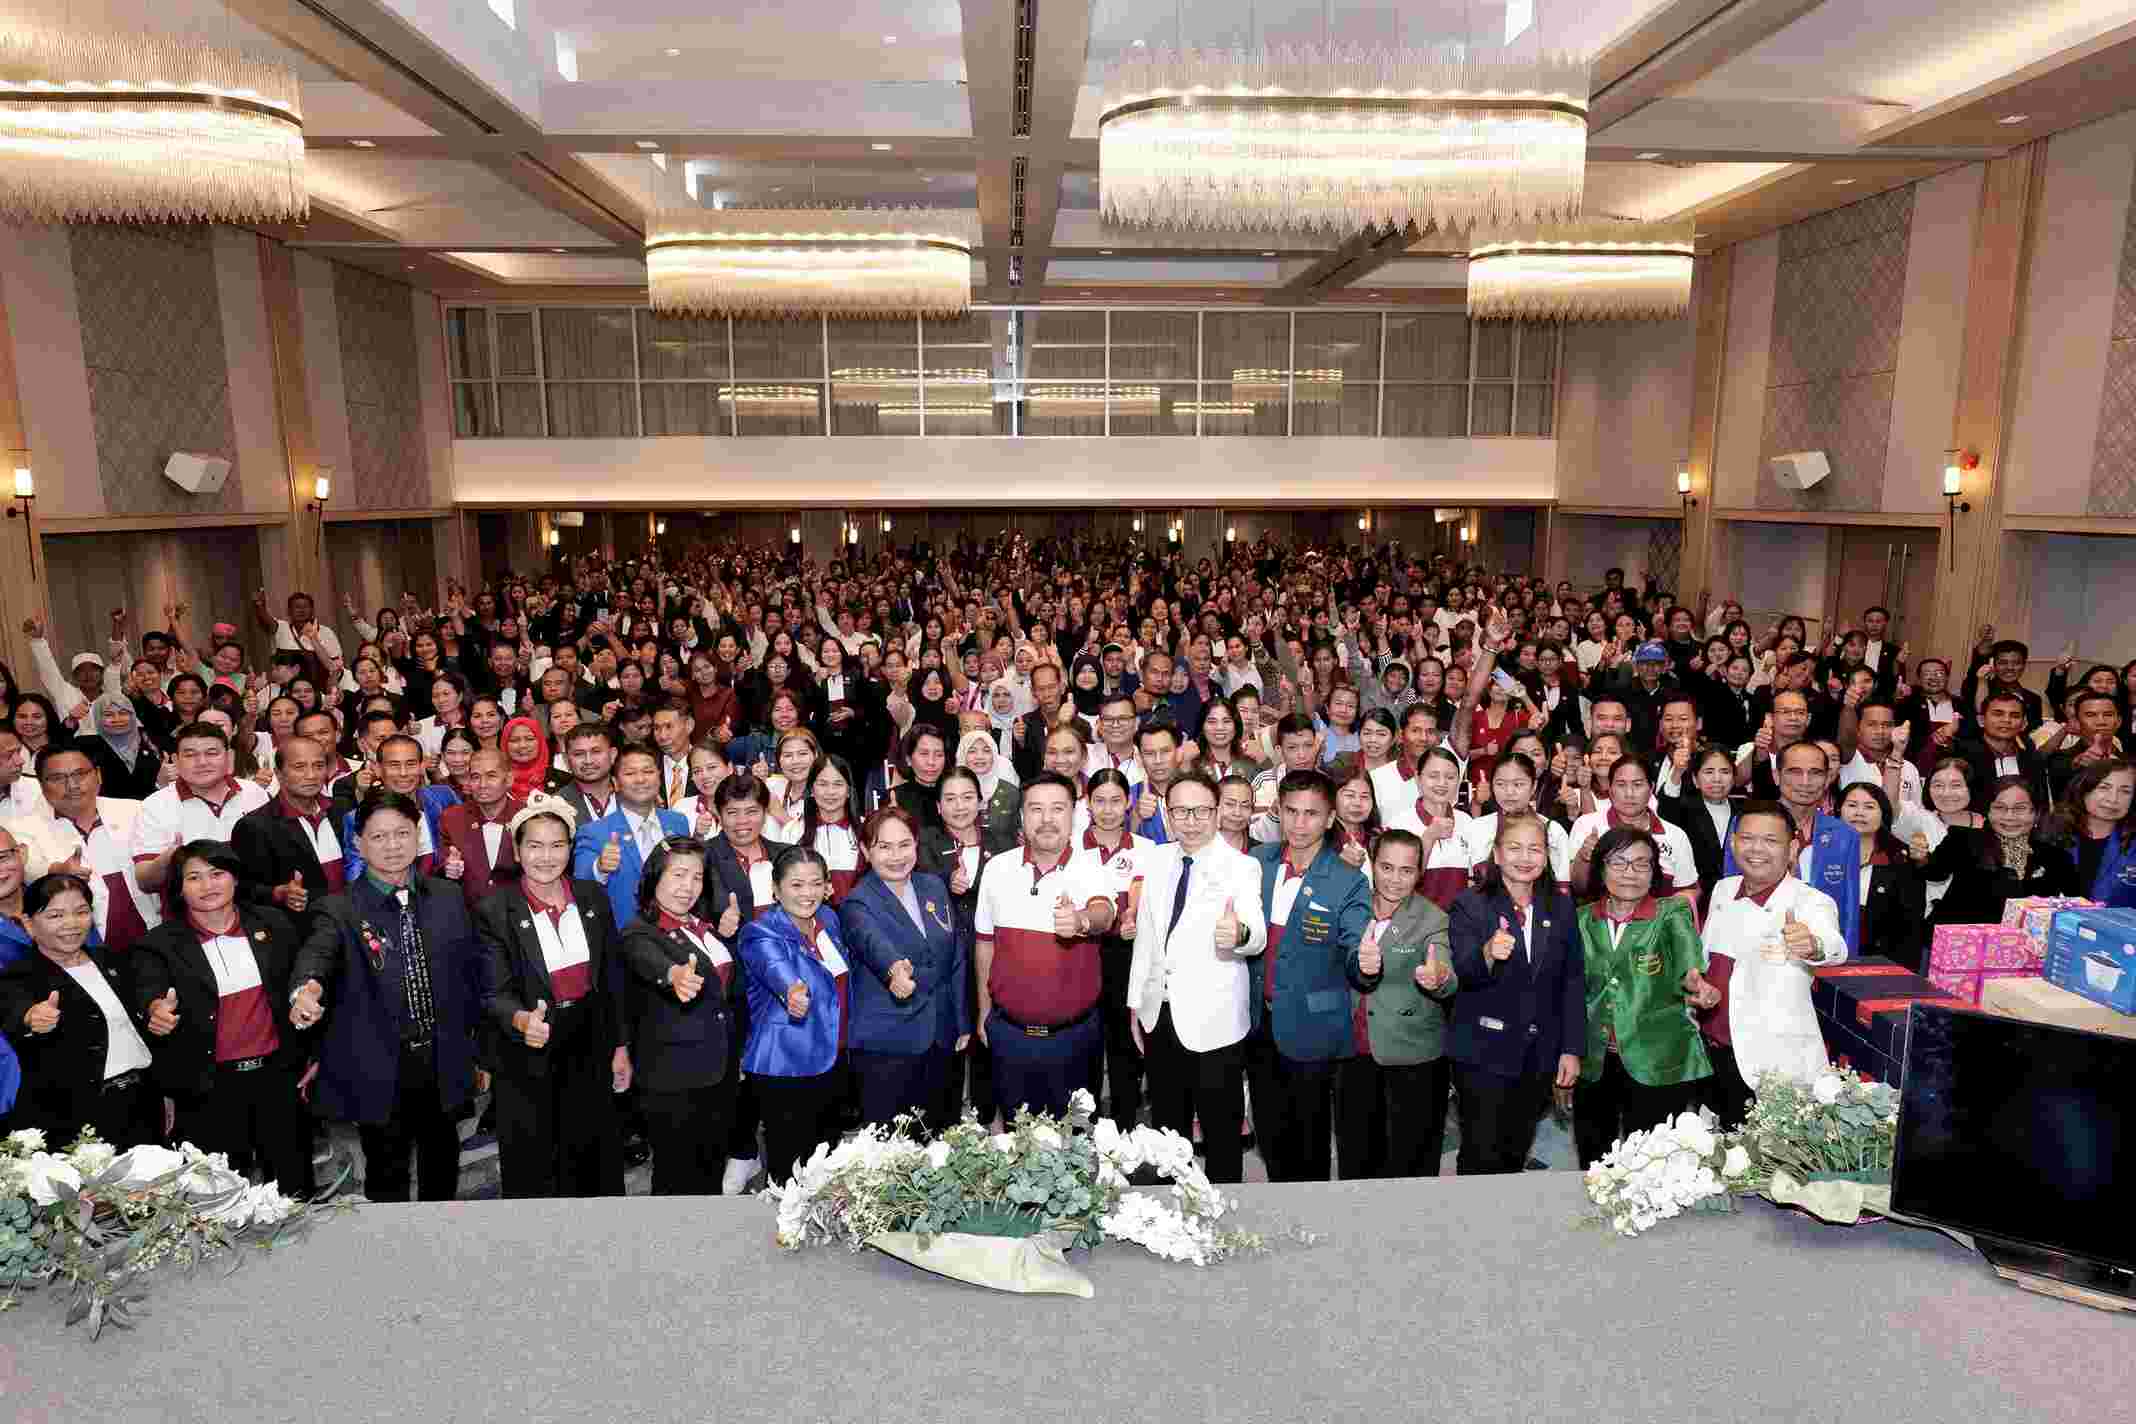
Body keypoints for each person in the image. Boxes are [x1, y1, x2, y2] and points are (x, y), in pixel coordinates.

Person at [289, 790, 485, 1203]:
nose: (393, 845)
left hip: (442, 1059)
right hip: (380, 1067)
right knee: (386, 1174)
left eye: (402, 833)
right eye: (379, 837)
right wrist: (306, 990)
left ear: (418, 835)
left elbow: (470, 976)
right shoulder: (338, 909)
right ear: (358, 843)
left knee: (443, 1165)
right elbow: (318, 955)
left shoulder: (448, 896)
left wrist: (478, 1050)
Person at [131, 841, 310, 1194]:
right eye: (194, 877)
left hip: (277, 1078)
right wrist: (155, 1011)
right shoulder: (159, 944)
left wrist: (313, 1053)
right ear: (179, 888)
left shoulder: (274, 924)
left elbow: (302, 986)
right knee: (220, 1199)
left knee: (293, 1190)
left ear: (235, 878)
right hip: (209, 1089)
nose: (207, 885)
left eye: (217, 874)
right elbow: (149, 994)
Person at [476, 796, 629, 1199]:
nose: (546, 856)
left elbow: (612, 978)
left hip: (589, 1042)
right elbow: (494, 991)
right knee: (535, 1163)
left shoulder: (592, 896)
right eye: (535, 845)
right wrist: (521, 1019)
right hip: (529, 1048)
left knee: (594, 1157)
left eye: (557, 845)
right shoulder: (495, 909)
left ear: (570, 848)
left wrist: (620, 1046)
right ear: (517, 850)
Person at [1125, 770, 1266, 1184]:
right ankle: (1173, 1210)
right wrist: (1136, 1003)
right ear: (1168, 815)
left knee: (1222, 1132)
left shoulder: (1241, 866)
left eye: (1201, 811)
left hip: (1214, 1022)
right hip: (1160, 1014)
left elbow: (1256, 931)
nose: (1191, 820)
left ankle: (1225, 1210)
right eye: (1180, 811)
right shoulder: (1156, 859)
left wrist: (1239, 934)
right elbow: (1146, 938)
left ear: (1217, 812)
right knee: (1168, 1133)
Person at [1248, 768, 1372, 1183]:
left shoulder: (1348, 879)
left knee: (1309, 1138)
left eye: (1311, 813)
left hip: (1312, 1024)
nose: (1300, 824)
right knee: (1269, 1132)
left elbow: (1355, 943)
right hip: (1258, 1021)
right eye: (1291, 811)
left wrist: (1365, 962)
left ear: (1330, 818)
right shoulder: (1256, 863)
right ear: (1278, 811)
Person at [1445, 812, 1584, 1176]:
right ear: (1497, 853)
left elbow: (1572, 980)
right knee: (1481, 1152)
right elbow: (1461, 975)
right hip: (1483, 1052)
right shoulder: (1470, 904)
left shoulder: (1561, 906)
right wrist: (1488, 953)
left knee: (1515, 1148)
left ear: (1546, 856)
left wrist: (1571, 1048)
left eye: (1535, 849)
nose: (1525, 858)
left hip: (1539, 1053)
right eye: (1515, 848)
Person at [973, 773, 1117, 1119]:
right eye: (1036, 809)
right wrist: (984, 1012)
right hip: (1009, 1036)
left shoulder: (1091, 868)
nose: (1047, 819)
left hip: (1074, 1039)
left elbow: (1104, 913)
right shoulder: (997, 869)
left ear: (1074, 815)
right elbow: (985, 944)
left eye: (1057, 809)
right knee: (1016, 1137)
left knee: (1076, 1140)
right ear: (1022, 816)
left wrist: (1081, 921)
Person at [1570, 827, 1715, 1169]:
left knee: (1651, 1166)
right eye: (1619, 862)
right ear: (1600, 868)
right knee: (1594, 1162)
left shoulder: (1670, 913)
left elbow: (1687, 960)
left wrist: (1696, 983)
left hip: (1657, 1059)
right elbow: (1568, 993)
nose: (1630, 873)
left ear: (1654, 871)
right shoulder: (1581, 920)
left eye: (1641, 864)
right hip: (1594, 1060)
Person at [1695, 802, 1848, 1127]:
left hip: (1769, 1061)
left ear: (1792, 849)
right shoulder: (1723, 889)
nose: (1756, 849)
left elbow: (1834, 947)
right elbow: (1709, 960)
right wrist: (1696, 985)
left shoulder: (1810, 902)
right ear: (1733, 843)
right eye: (1747, 838)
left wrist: (1814, 945)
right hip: (1711, 1052)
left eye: (1770, 840)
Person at [612, 834, 738, 1196]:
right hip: (673, 1079)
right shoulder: (639, 931)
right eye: (678, 875)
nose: (688, 887)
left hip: (717, 1071)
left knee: (710, 1170)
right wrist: (673, 975)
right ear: (655, 877)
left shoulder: (701, 925)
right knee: (675, 1179)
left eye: (696, 877)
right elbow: (648, 960)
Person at [0, 871, 160, 1148]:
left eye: (81, 912)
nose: (71, 924)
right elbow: (16, 1012)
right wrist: (31, 1018)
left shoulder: (114, 960)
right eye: (55, 915)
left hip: (144, 1100)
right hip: (77, 1118)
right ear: (28, 923)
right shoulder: (18, 977)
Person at [1336, 829, 1457, 1180]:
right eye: (1386, 867)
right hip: (1354, 1052)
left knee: (1412, 1160)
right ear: (1373, 865)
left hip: (1413, 1055)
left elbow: (1445, 969)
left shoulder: (1433, 918)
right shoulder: (1352, 906)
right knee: (1356, 1156)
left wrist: (1438, 977)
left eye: (1406, 870)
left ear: (1420, 873)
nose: (1394, 879)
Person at [840, 807, 970, 1133]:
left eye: (904, 845)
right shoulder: (857, 902)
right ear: (866, 851)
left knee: (944, 1138)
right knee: (893, 1146)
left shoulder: (933, 886)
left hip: (942, 1036)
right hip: (889, 1043)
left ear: (916, 845)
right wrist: (895, 971)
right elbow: (873, 943)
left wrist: (961, 1020)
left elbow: (955, 956)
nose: (896, 856)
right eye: (884, 847)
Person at [739, 844, 853, 1185]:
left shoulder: (829, 920)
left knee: (827, 1160)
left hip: (833, 1057)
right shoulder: (761, 932)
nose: (808, 893)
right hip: (786, 1063)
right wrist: (792, 991)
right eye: (797, 884)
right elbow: (775, 967)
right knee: (789, 1170)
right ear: (776, 889)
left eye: (816, 883)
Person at [1912, 775, 2077, 926]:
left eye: (2020, 808)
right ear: (1988, 811)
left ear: (2036, 813)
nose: (2009, 816)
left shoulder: (2056, 856)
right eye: (1999, 808)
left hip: (2023, 944)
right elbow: (1934, 873)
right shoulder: (1963, 839)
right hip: (1959, 941)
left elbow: (2075, 904)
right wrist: (1921, 858)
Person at [129, 723, 271, 895]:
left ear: (229, 757)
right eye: (190, 755)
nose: (202, 762)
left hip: (258, 902)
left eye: (212, 753)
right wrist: (170, 858)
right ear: (176, 760)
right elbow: (144, 882)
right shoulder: (155, 806)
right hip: (189, 908)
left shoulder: (254, 793)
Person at [231, 735, 345, 938]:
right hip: (298, 936)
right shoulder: (256, 826)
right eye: (299, 767)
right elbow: (243, 890)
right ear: (279, 774)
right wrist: (278, 893)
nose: (311, 775)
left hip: (351, 927)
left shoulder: (341, 811)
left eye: (318, 766)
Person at [572, 745, 689, 929]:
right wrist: (600, 867)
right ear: (615, 783)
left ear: (659, 777)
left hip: (679, 933)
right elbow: (580, 883)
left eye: (648, 771)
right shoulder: (594, 832)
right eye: (630, 773)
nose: (640, 779)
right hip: (627, 937)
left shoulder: (678, 822)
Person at [1835, 783, 1928, 973]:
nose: (1859, 813)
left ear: (1883, 814)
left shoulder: (1901, 860)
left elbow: (1909, 931)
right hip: (1827, 959)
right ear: (1839, 811)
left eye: (1869, 807)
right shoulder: (1820, 852)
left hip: (1879, 966)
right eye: (1852, 805)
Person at [2053, 759, 2136, 908]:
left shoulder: (2133, 844)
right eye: (2104, 787)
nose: (2113, 799)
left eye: (2125, 791)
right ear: (2083, 789)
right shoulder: (2052, 835)